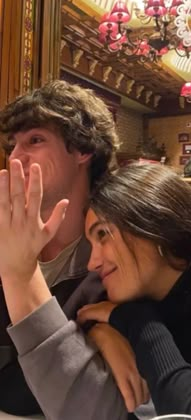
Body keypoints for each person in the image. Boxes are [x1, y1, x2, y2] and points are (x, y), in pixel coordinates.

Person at [0, 81, 148, 420]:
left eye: (35, 140)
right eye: (13, 144)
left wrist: (115, 327)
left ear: (83, 150)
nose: (15, 157)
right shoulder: (4, 228)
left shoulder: (116, 254)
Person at [74, 163, 191, 420]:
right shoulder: (125, 309)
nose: (92, 263)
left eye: (103, 234)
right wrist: (101, 333)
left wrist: (137, 322)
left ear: (154, 223)